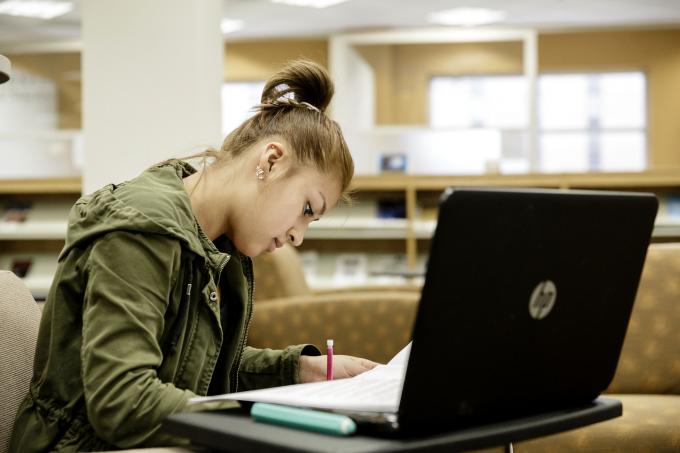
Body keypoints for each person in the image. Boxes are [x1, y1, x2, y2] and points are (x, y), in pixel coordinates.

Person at [10, 59, 378, 452]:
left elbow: (195, 370)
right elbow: (122, 400)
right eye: (307, 208)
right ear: (271, 161)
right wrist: (261, 421)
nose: (298, 236)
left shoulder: (218, 243)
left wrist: (301, 370)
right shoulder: (145, 227)